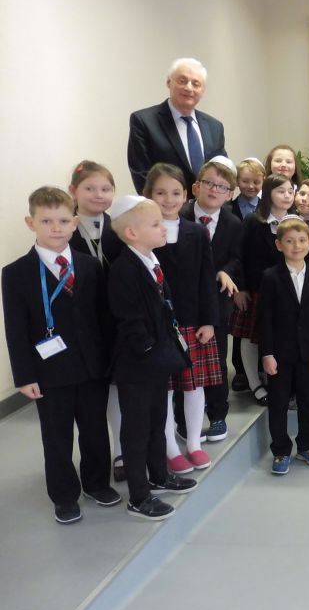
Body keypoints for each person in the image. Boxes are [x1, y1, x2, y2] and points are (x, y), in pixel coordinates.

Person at [2, 187, 117, 523]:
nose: (56, 227)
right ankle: (64, 495)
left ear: (75, 223)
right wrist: (24, 376)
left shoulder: (89, 266)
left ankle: (96, 483)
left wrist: (110, 362)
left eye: (64, 221)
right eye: (46, 221)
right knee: (57, 436)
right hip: (49, 371)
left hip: (91, 366)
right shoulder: (16, 273)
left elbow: (103, 319)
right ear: (31, 223)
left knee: (95, 430)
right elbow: (15, 329)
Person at [107, 196, 197, 519]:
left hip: (157, 359)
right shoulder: (124, 270)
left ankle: (159, 475)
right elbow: (128, 318)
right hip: (138, 364)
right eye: (156, 224)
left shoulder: (151, 261)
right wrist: (148, 349)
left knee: (159, 419)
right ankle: (138, 495)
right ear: (132, 233)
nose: (163, 228)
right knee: (137, 429)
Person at [144, 163, 220, 475]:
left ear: (187, 194)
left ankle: (194, 443)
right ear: (149, 195)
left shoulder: (197, 232)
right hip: (159, 324)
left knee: (193, 385)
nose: (169, 199)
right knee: (165, 389)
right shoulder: (144, 232)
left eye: (176, 192)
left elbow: (206, 278)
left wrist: (209, 321)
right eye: (160, 193)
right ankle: (170, 448)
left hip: (193, 321)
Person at [67, 161, 126, 479]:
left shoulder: (120, 228)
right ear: (73, 191)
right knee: (90, 401)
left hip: (117, 324)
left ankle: (121, 452)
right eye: (89, 188)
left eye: (105, 189)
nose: (98, 195)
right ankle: (94, 459)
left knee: (117, 389)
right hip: (82, 328)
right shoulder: (64, 230)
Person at [259, 217, 309, 475]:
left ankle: (307, 445)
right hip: (279, 353)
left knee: (307, 401)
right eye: (289, 241)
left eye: (301, 240)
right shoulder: (270, 277)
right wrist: (267, 353)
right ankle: (280, 449)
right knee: (278, 402)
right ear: (279, 245)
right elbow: (264, 319)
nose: (296, 246)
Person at [181, 156, 243, 444]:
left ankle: (218, 414)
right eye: (209, 183)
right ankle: (183, 419)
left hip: (217, 300)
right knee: (183, 360)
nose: (215, 190)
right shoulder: (179, 216)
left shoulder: (233, 223)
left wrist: (225, 271)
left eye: (222, 186)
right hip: (183, 301)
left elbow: (237, 258)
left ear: (230, 194)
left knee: (216, 359)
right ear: (196, 187)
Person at [231, 174, 295, 405]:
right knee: (251, 338)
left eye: (290, 191)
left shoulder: (295, 221)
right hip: (255, 289)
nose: (287, 196)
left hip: (286, 291)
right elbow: (239, 255)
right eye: (281, 191)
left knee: (279, 337)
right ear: (268, 194)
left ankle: (277, 381)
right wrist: (241, 288)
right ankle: (254, 384)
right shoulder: (253, 221)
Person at [127, 58, 226, 193]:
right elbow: (141, 175)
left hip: (207, 206)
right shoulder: (144, 121)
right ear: (169, 82)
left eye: (196, 84)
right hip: (166, 205)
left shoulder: (214, 127)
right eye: (182, 81)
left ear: (202, 90)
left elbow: (223, 173)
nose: (189, 88)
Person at [228, 157, 264, 222]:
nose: (251, 186)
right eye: (245, 181)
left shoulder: (267, 209)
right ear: (237, 181)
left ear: (263, 182)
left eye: (256, 182)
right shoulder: (228, 208)